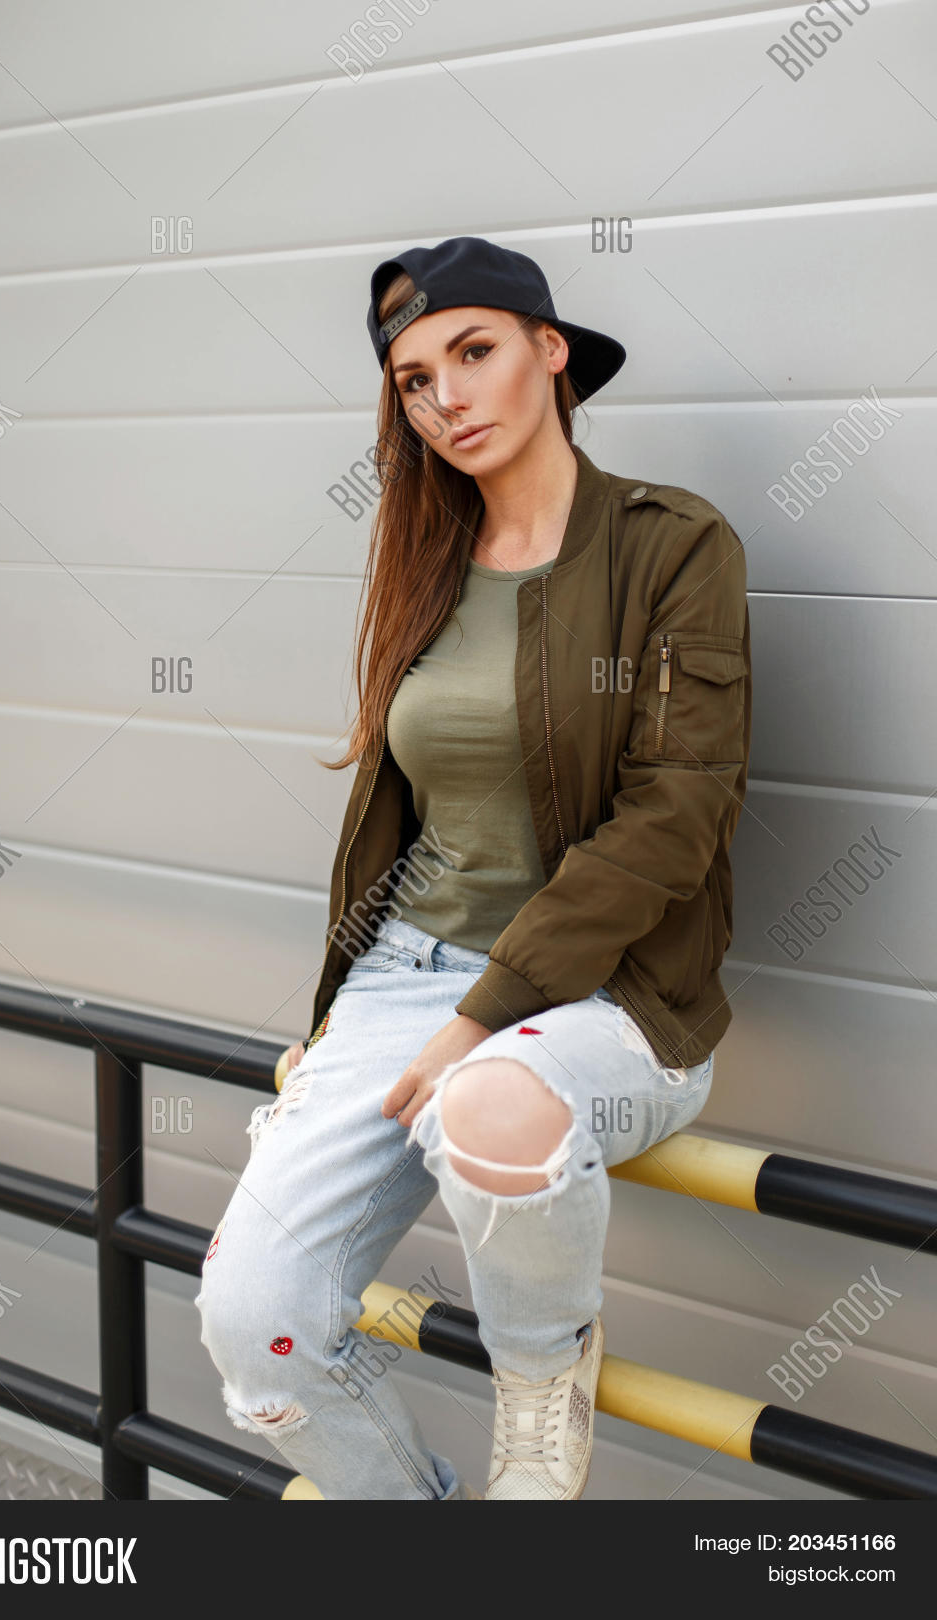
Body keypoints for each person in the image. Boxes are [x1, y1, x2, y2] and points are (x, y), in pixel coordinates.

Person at [194, 235, 751, 1501]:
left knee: (486, 1101)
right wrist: (343, 1027)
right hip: (406, 984)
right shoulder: (421, 563)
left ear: (551, 355)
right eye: (411, 380)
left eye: (473, 352)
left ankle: (542, 1388)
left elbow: (676, 815)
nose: (443, 395)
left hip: (607, 997)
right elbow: (403, 835)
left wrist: (480, 1018)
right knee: (258, 1326)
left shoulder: (672, 547)